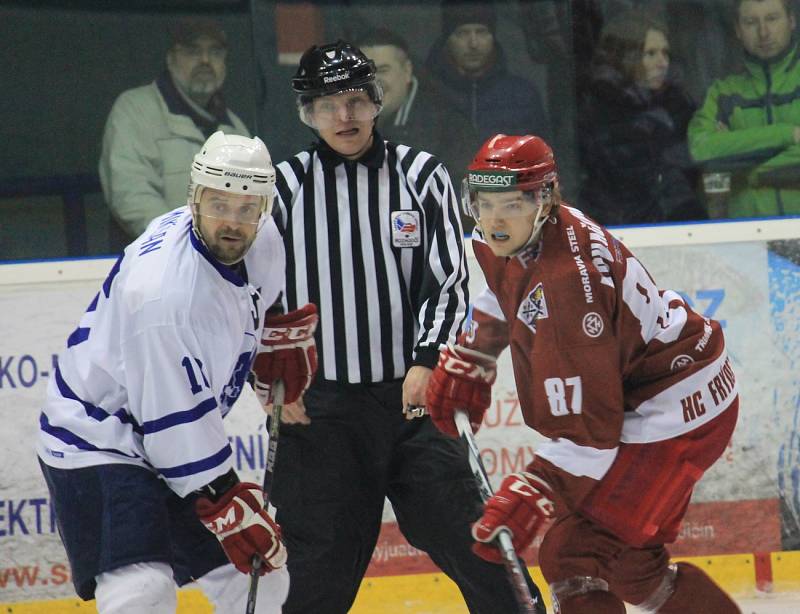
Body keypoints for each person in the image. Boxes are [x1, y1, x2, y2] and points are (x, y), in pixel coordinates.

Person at [267, 41, 546, 614]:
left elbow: (446, 281)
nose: (343, 118)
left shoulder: (421, 175)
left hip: (412, 405)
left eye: (354, 101)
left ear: (376, 100)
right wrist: (268, 375)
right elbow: (255, 298)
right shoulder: (283, 188)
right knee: (315, 576)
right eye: (327, 105)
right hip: (321, 414)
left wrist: (426, 361)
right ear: (307, 113)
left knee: (482, 546)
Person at [426, 134, 741, 613]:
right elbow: (502, 286)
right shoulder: (519, 234)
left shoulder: (569, 286)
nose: (493, 219)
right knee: (633, 568)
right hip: (678, 383)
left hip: (672, 411)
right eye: (482, 202)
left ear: (546, 198)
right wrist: (475, 356)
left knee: (575, 556)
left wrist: (536, 489)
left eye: (509, 203)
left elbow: (590, 436)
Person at [38, 131, 319, 614]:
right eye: (218, 205)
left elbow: (260, 303)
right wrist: (223, 498)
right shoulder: (164, 297)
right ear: (192, 199)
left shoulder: (263, 239)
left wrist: (270, 341)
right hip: (98, 437)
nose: (232, 221)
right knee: (141, 591)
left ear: (263, 208)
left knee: (259, 579)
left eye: (246, 208)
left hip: (168, 436)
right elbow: (175, 431)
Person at [99, 17, 250, 243]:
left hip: (223, 266)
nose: (205, 61)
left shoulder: (236, 130)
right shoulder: (135, 110)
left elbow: (253, 204)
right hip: (155, 266)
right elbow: (131, 197)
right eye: (193, 51)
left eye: (215, 52)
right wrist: (187, 244)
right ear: (171, 59)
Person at [578, 8, 705, 225]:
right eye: (651, 53)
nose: (662, 62)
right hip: (623, 225)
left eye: (665, 53)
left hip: (679, 221)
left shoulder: (678, 104)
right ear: (626, 56)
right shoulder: (602, 107)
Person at [688, 0, 800, 218]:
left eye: (772, 18)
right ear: (738, 31)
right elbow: (700, 149)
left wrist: (741, 169)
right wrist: (788, 134)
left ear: (792, 21)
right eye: (751, 22)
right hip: (746, 240)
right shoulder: (722, 94)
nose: (764, 32)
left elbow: (716, 160)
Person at [356, 27, 476, 189]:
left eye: (383, 70)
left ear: (407, 71)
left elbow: (461, 196)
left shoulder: (450, 127)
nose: (374, 82)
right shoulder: (339, 123)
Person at [425, 0, 551, 144]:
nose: (473, 44)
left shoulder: (523, 96)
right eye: (462, 33)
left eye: (481, 32)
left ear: (493, 37)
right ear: (448, 40)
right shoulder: (427, 93)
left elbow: (540, 159)